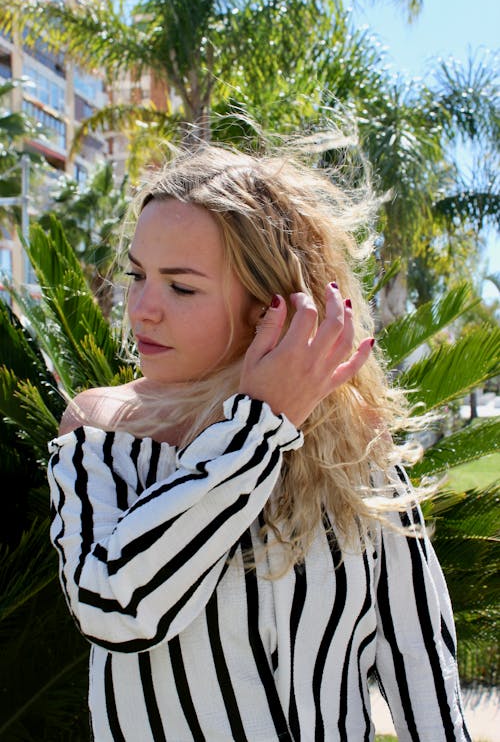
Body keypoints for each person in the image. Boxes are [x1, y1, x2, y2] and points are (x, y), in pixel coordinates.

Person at [48, 144, 470, 741]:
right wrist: (260, 424)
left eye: (182, 288)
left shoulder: (350, 437)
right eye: (138, 276)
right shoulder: (102, 430)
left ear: (272, 304)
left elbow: (417, 655)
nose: (142, 310)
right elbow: (117, 608)